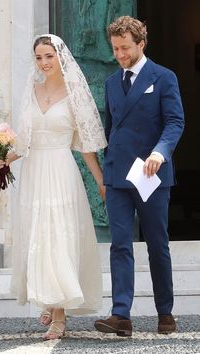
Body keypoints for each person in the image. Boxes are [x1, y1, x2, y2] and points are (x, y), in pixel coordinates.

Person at [0, 34, 107, 340]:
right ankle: (48, 296)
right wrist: (3, 156)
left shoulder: (74, 94)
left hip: (61, 170)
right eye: (39, 58)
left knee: (58, 237)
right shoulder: (31, 90)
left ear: (61, 57)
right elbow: (25, 139)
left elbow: (85, 144)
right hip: (34, 172)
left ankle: (59, 314)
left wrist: (100, 179)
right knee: (38, 235)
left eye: (49, 56)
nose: (44, 63)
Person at [94, 16, 184, 337]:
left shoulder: (164, 77)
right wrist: (106, 171)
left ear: (141, 44)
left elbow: (175, 121)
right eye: (115, 48)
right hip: (119, 175)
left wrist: (160, 153)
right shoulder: (109, 83)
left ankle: (165, 312)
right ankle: (121, 314)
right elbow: (110, 129)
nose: (119, 54)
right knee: (120, 245)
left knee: (157, 244)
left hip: (152, 174)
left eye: (125, 48)